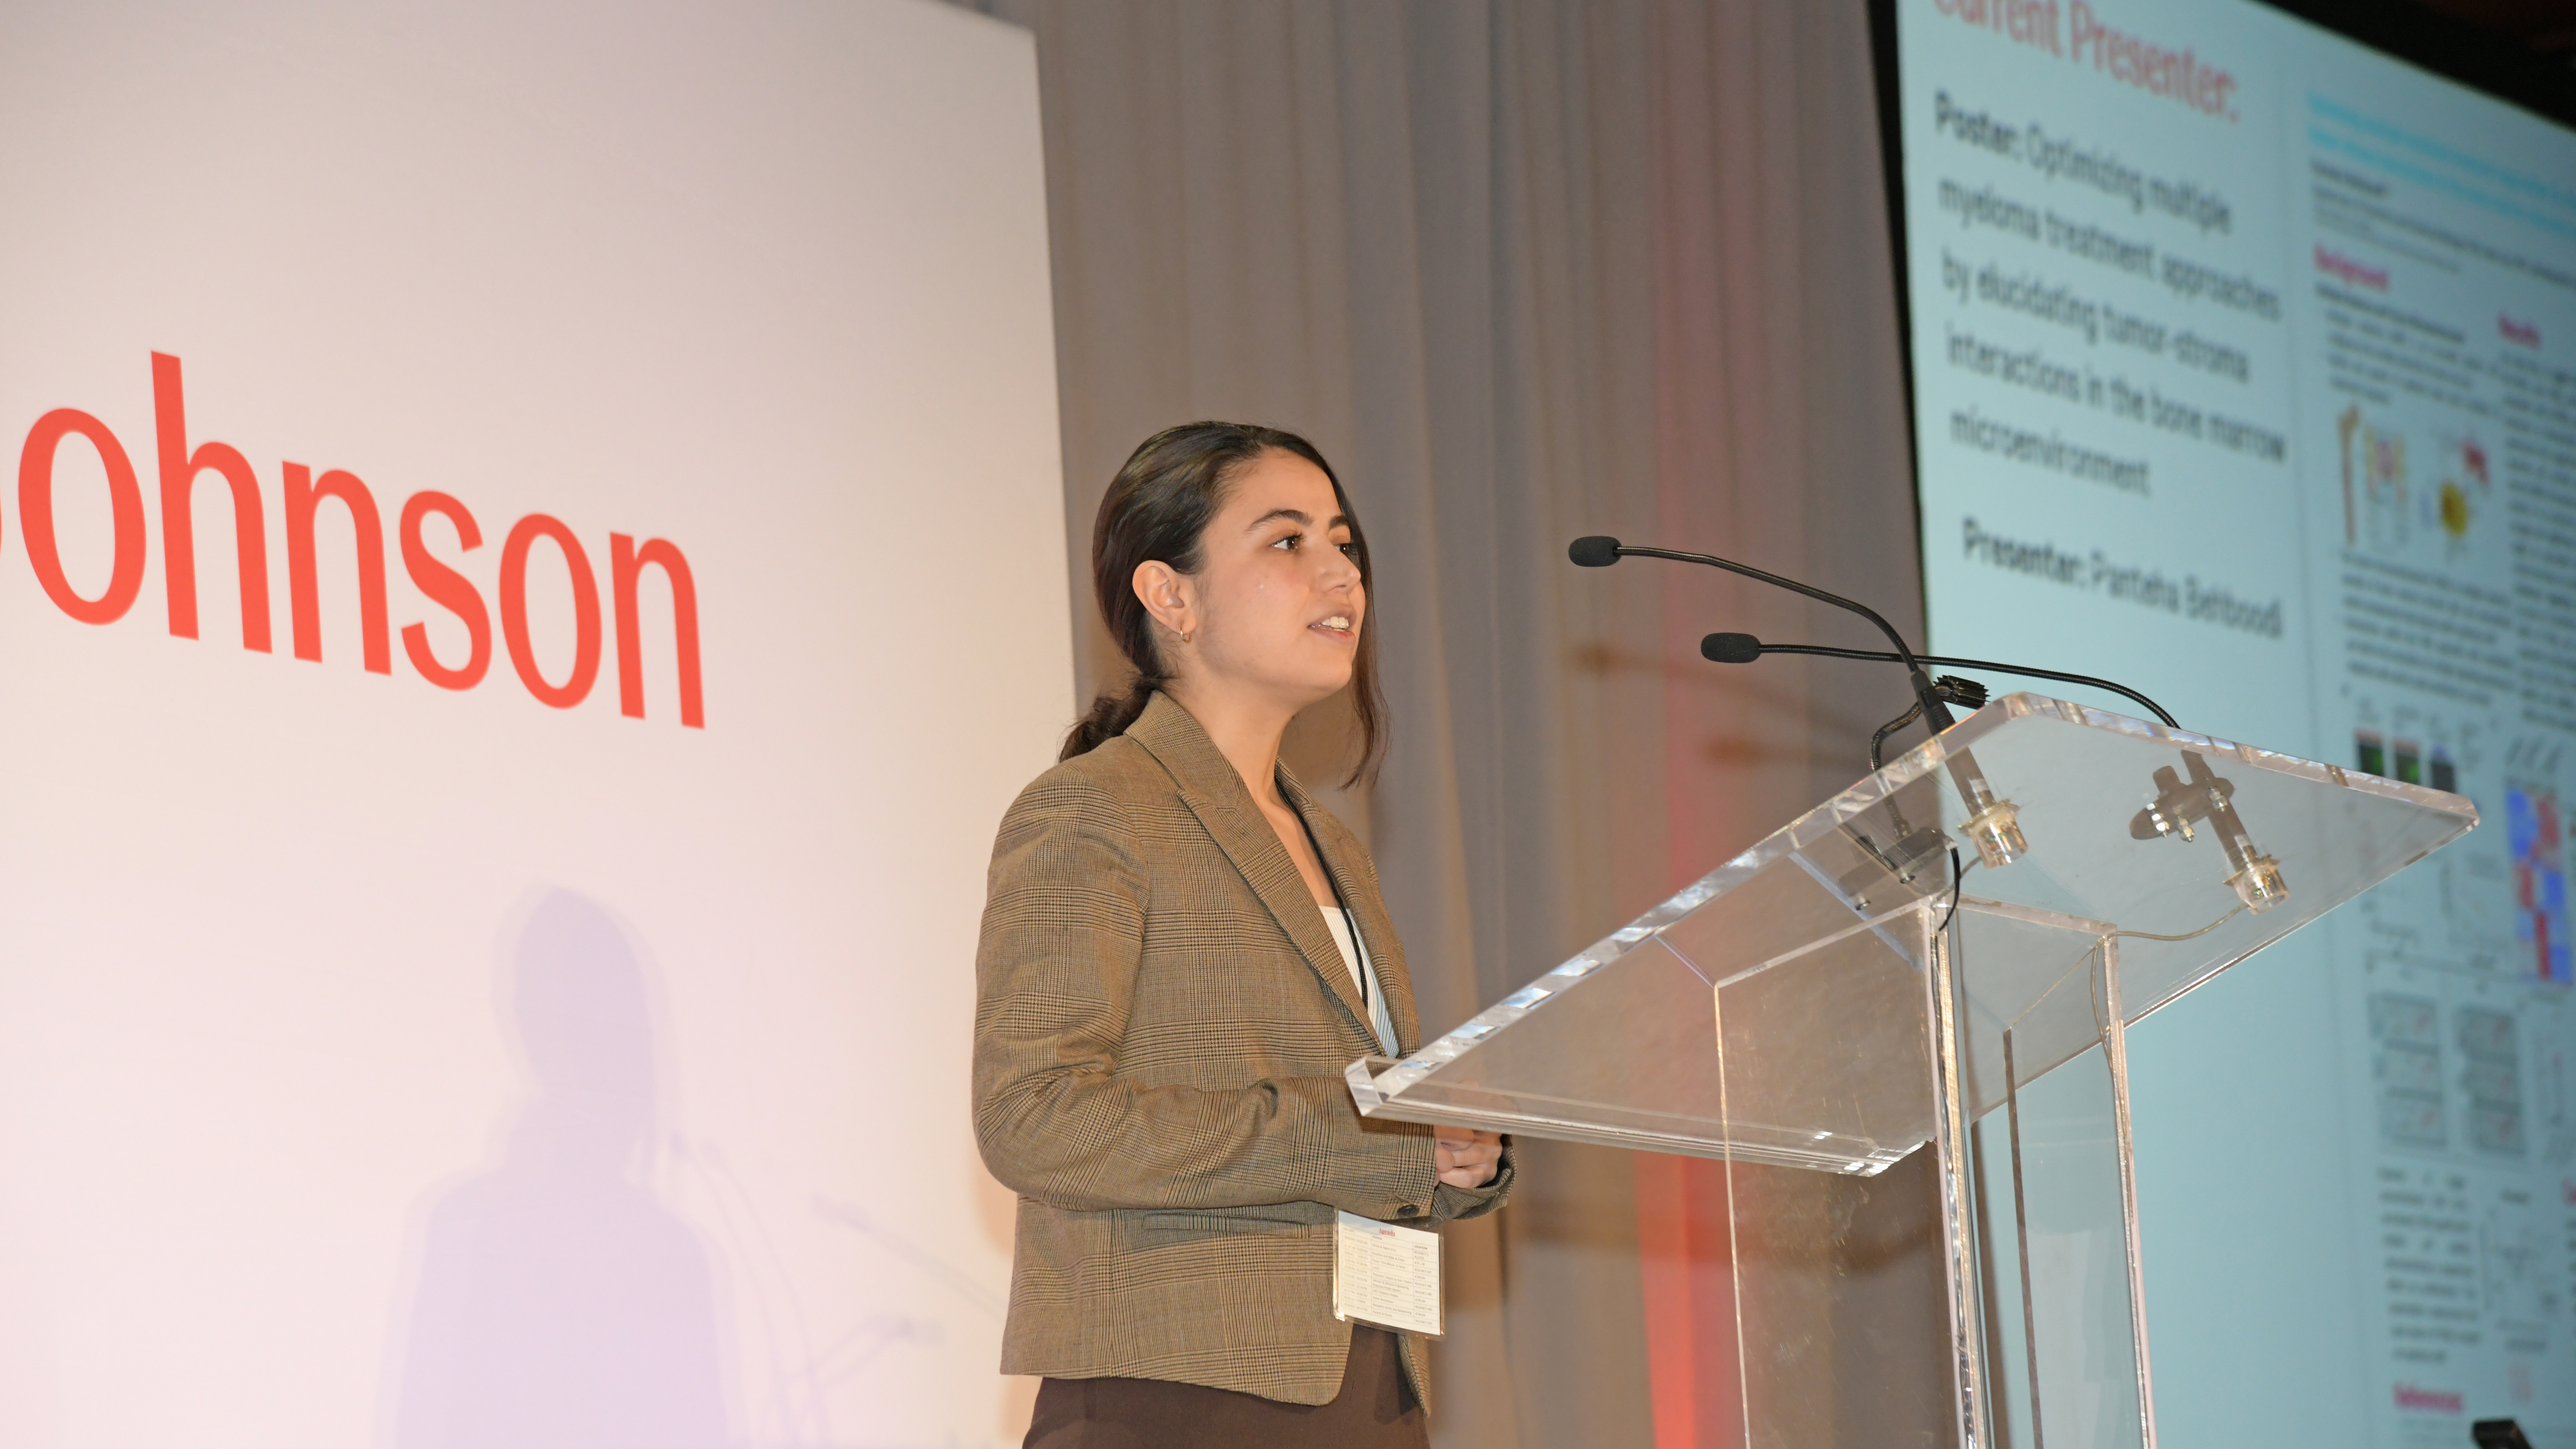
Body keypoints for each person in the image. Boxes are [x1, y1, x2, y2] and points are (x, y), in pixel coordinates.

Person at [974, 422, 1512, 1448]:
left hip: (1369, 1388)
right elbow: (1034, 1117)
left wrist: (1451, 1148)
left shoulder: (1333, 844)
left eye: (1343, 541)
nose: (1341, 572)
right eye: (1287, 540)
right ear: (1169, 596)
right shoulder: (1094, 810)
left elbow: (1355, 1126)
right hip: (1180, 1390)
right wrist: (1375, 1133)